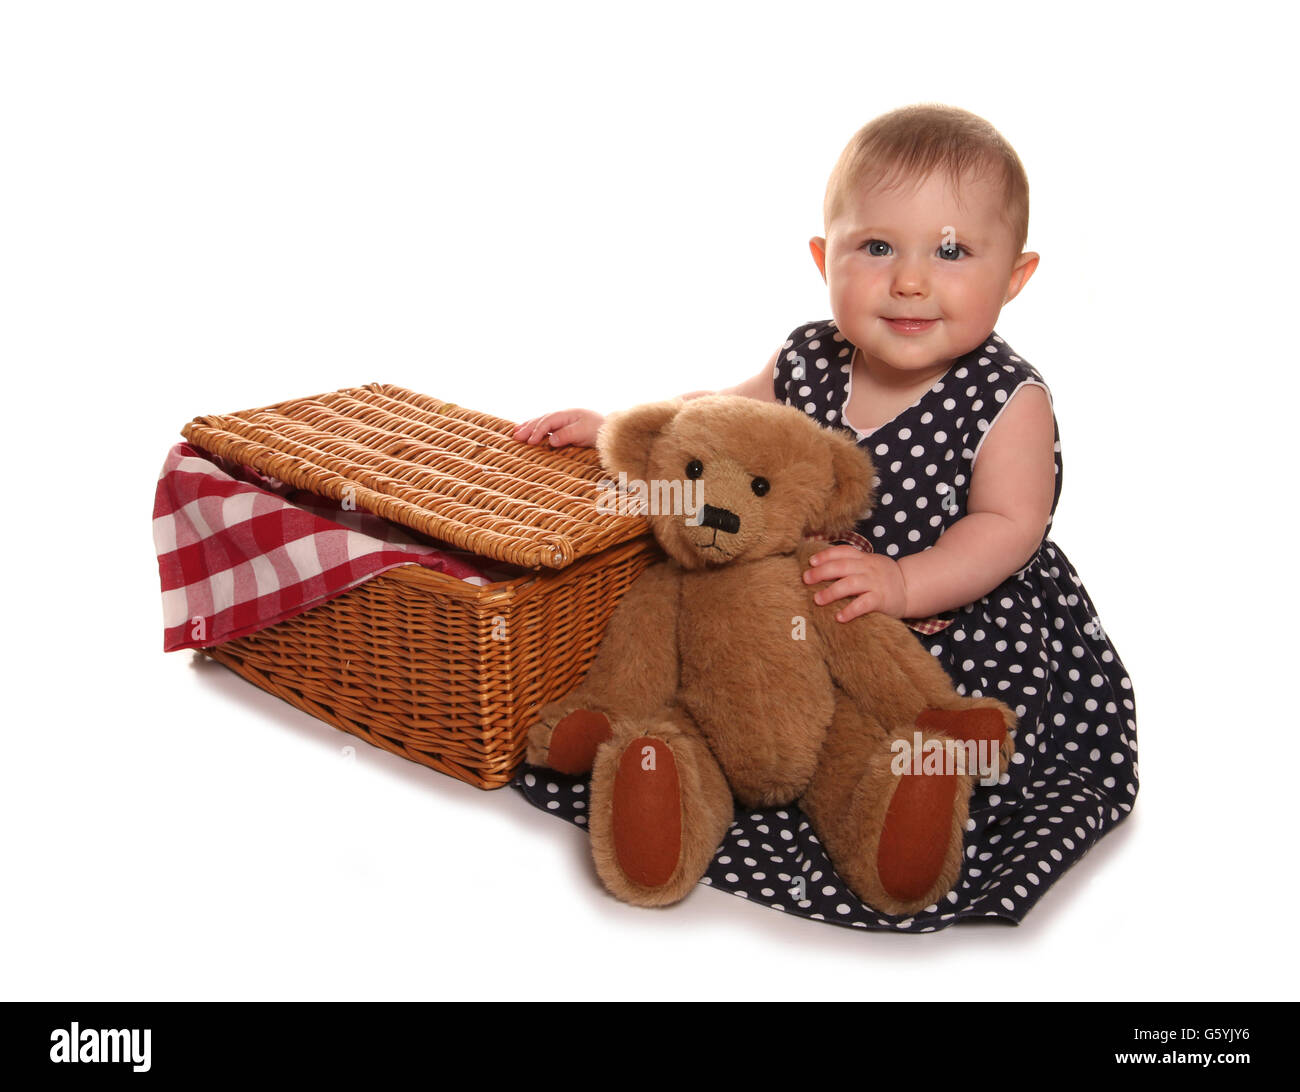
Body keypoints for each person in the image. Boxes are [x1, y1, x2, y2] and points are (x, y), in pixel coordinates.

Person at [513, 103, 1137, 927]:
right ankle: (671, 784)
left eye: (951, 251)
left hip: (943, 623)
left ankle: (895, 800)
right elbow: (723, 421)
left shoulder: (1005, 399)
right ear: (824, 257)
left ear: (1015, 278)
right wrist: (623, 429)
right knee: (712, 687)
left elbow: (1010, 527)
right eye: (877, 247)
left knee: (945, 731)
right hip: (786, 630)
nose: (910, 280)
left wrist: (903, 582)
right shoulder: (810, 356)